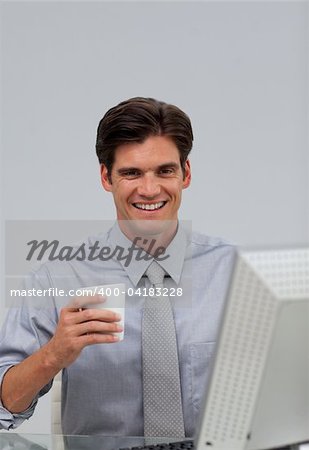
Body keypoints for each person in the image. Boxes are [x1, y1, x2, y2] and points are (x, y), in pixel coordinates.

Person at [0, 97, 235, 437]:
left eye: (164, 170)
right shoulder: (57, 278)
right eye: (131, 173)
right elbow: (5, 404)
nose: (150, 189)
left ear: (185, 174)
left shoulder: (237, 273)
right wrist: (55, 354)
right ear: (106, 177)